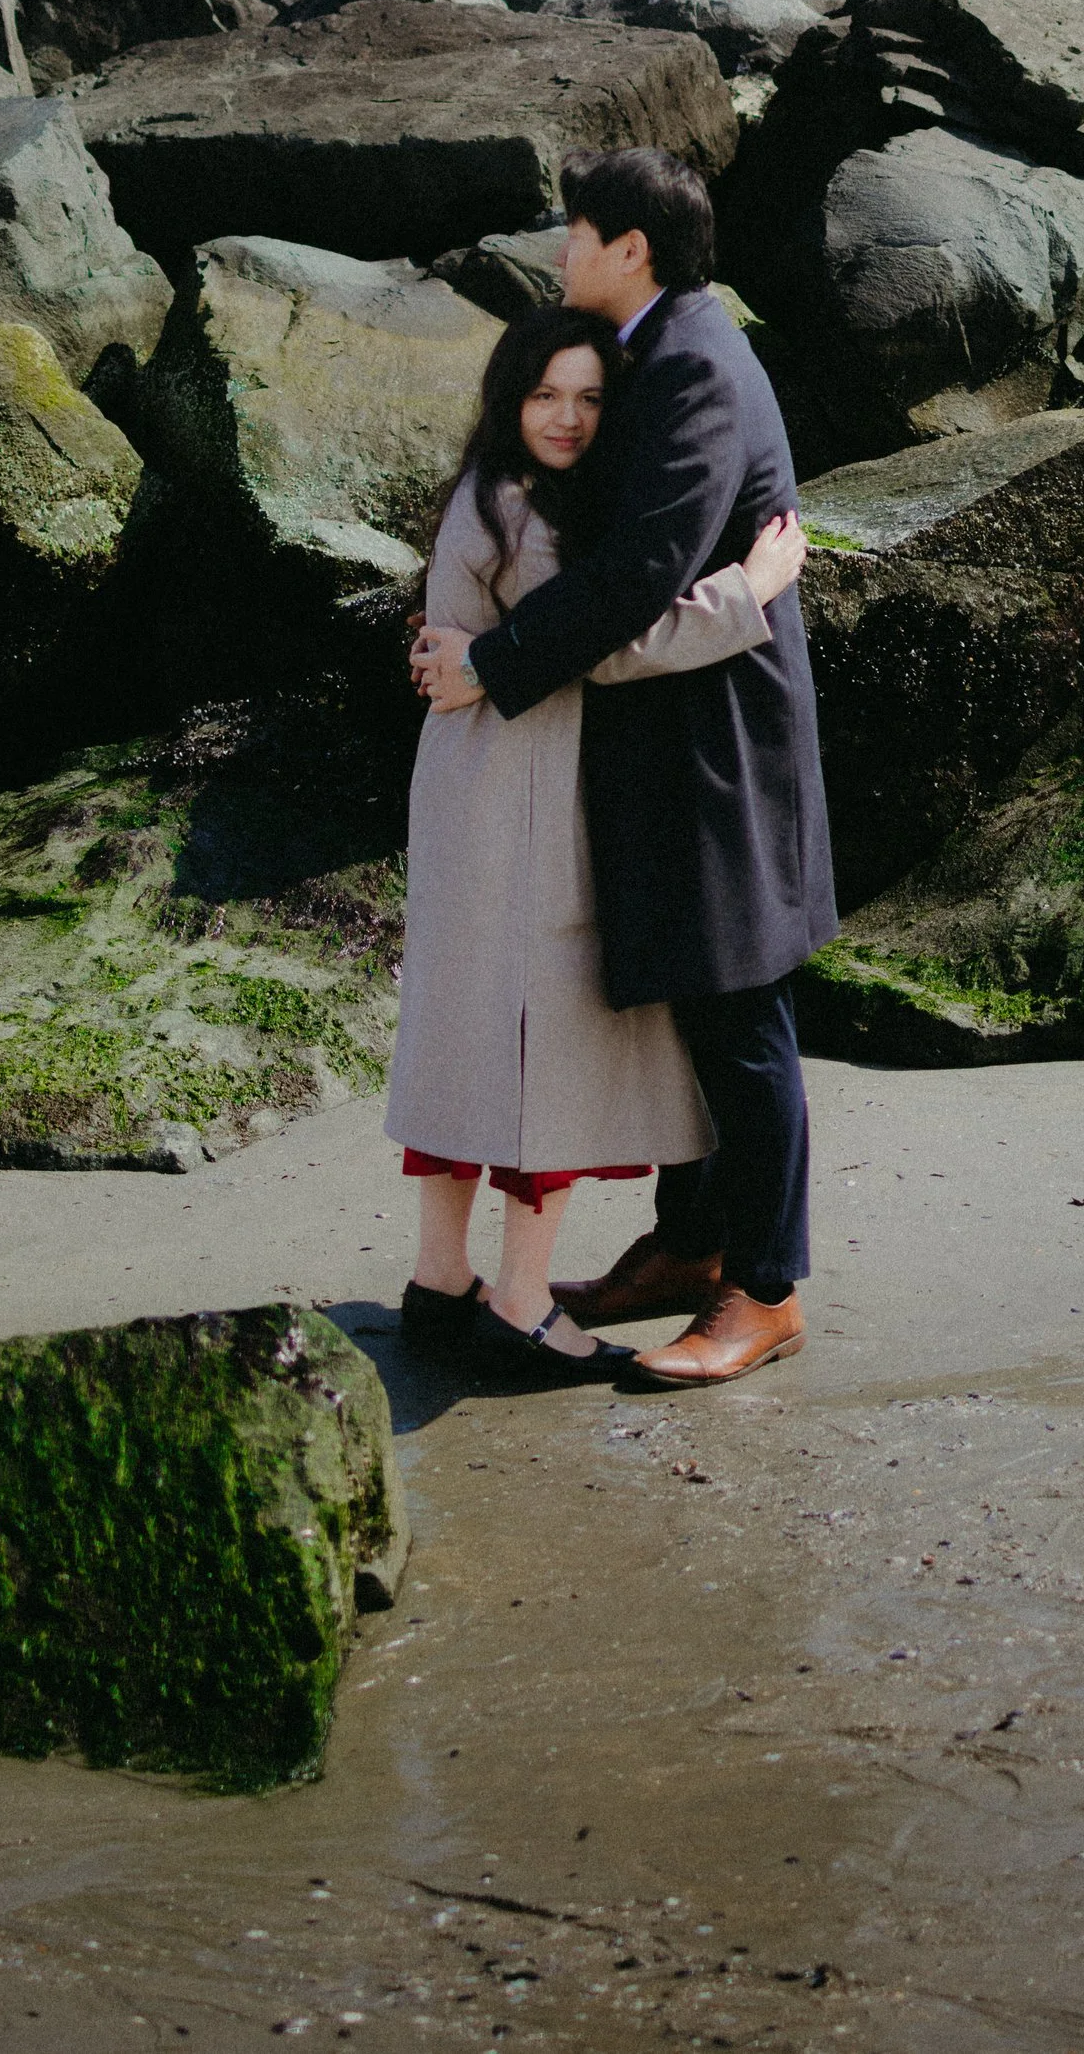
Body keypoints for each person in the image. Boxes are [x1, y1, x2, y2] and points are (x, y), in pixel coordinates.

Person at [411, 147, 837, 1387]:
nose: (560, 250)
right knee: (684, 993)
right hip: (660, 731)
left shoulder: (696, 362)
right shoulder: (662, 346)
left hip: (714, 739)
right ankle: (690, 1245)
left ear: (629, 247)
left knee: (737, 1010)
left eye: (575, 230)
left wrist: (492, 660)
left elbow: (640, 570)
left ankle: (766, 1288)